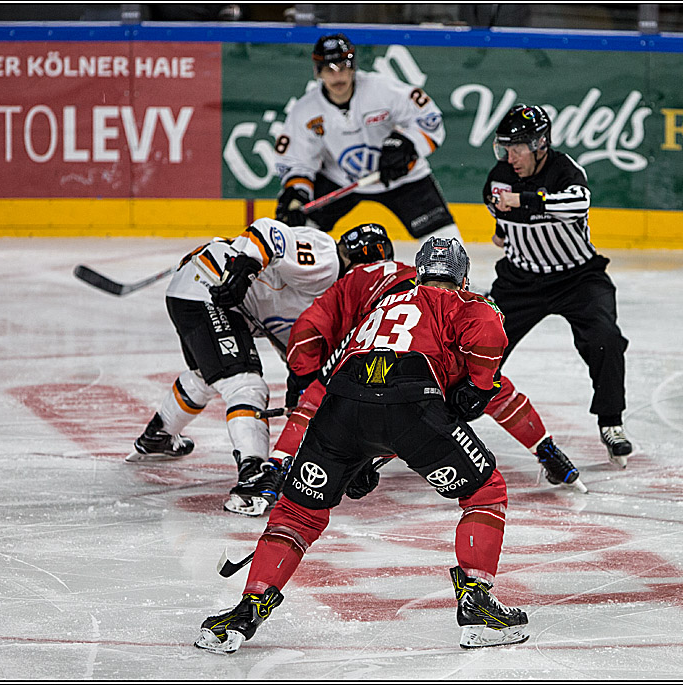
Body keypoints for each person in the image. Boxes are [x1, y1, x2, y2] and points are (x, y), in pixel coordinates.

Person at [195, 237, 529, 654]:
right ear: (462, 278)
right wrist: (481, 383)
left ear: (420, 272)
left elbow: (373, 386)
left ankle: (246, 610)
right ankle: (478, 604)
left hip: (341, 403)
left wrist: (365, 455)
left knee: (297, 513)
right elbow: (485, 330)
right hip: (411, 400)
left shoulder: (382, 307)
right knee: (484, 492)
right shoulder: (462, 302)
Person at [275, 222, 587, 493]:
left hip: (382, 349)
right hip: (438, 332)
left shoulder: (348, 283)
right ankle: (550, 453)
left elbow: (308, 328)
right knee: (491, 389)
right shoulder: (411, 271)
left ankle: (273, 472)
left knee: (322, 400)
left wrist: (302, 379)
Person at [128, 217, 341, 517]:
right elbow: (269, 230)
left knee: (210, 376)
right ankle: (253, 476)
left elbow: (301, 364)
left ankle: (159, 435)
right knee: (245, 384)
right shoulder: (328, 264)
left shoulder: (329, 316)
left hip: (204, 298)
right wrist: (244, 269)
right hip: (208, 286)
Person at [484, 104, 633, 468]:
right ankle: (449, 415)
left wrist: (526, 202)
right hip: (520, 281)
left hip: (578, 278)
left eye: (518, 147)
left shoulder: (565, 171)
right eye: (506, 147)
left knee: (605, 340)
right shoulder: (499, 177)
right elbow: (500, 220)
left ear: (541, 144)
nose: (510, 156)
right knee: (478, 344)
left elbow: (578, 203)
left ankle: (611, 421)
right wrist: (507, 226)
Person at [273, 33, 462, 242]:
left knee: (446, 246)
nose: (338, 77)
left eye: (343, 67)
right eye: (329, 69)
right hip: (341, 179)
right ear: (318, 72)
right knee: (295, 230)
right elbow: (296, 160)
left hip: (401, 177)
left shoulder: (381, 88)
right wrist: (296, 194)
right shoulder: (305, 110)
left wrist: (407, 145)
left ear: (353, 66)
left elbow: (428, 117)